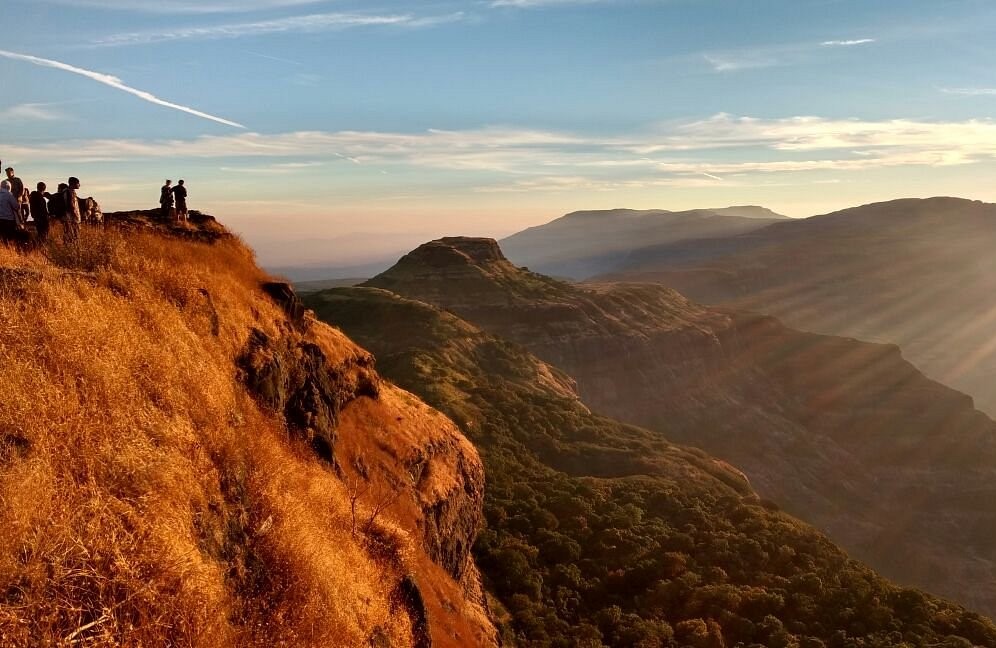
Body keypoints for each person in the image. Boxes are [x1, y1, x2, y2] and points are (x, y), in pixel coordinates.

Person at [63, 177, 81, 245]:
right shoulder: (69, 192)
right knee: (74, 235)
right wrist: (75, 215)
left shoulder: (68, 191)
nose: (79, 185)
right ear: (73, 183)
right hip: (72, 218)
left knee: (70, 234)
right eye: (78, 183)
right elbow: (71, 205)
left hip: (69, 218)